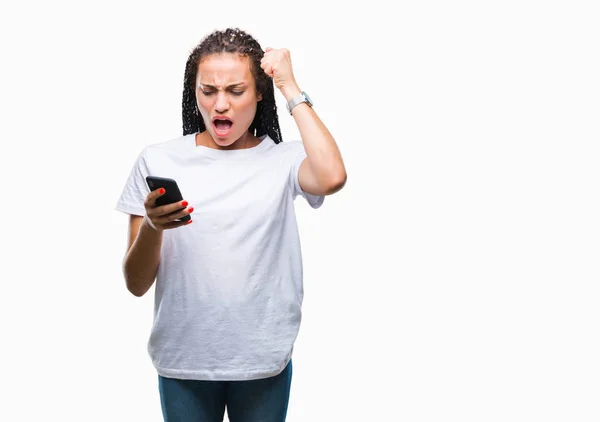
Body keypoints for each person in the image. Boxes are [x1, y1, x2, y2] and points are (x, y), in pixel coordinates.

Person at [115, 27, 347, 422]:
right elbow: (136, 284)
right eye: (208, 91)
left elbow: (331, 177)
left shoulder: (284, 159)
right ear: (195, 92)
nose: (220, 105)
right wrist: (154, 227)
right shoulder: (158, 160)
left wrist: (289, 86)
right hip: (183, 359)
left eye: (236, 91)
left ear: (259, 93)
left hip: (262, 356)